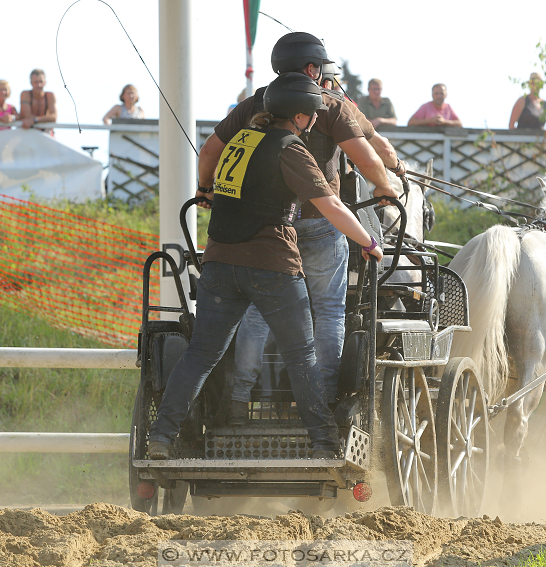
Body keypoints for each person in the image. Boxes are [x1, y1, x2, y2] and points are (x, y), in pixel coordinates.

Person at [146, 73, 384, 460]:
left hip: (220, 264)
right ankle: (324, 443)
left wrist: (203, 191)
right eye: (311, 116)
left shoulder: (240, 141)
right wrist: (369, 243)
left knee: (201, 354)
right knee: (301, 354)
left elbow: (216, 173)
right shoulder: (290, 149)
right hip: (272, 267)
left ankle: (162, 436)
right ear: (301, 117)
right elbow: (332, 207)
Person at [196, 32, 406, 421]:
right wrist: (383, 187)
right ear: (313, 69)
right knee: (328, 311)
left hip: (268, 229)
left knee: (258, 312)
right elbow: (366, 158)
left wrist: (204, 189)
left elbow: (210, 150)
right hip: (323, 224)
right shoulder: (330, 105)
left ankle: (239, 400)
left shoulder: (256, 103)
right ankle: (324, 398)